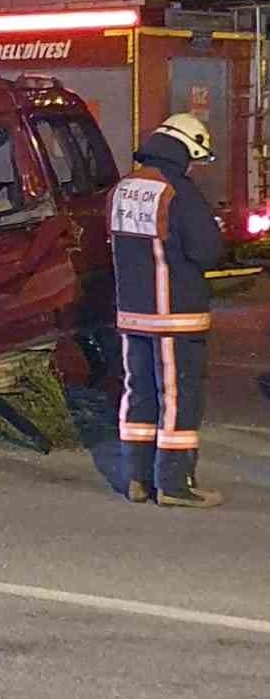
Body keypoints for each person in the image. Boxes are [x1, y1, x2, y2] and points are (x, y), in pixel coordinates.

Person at [108, 113, 225, 509]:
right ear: (186, 150)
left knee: (138, 393)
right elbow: (207, 250)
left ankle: (137, 479)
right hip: (175, 313)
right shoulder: (178, 190)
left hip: (132, 312)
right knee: (178, 396)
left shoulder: (125, 187)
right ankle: (175, 484)